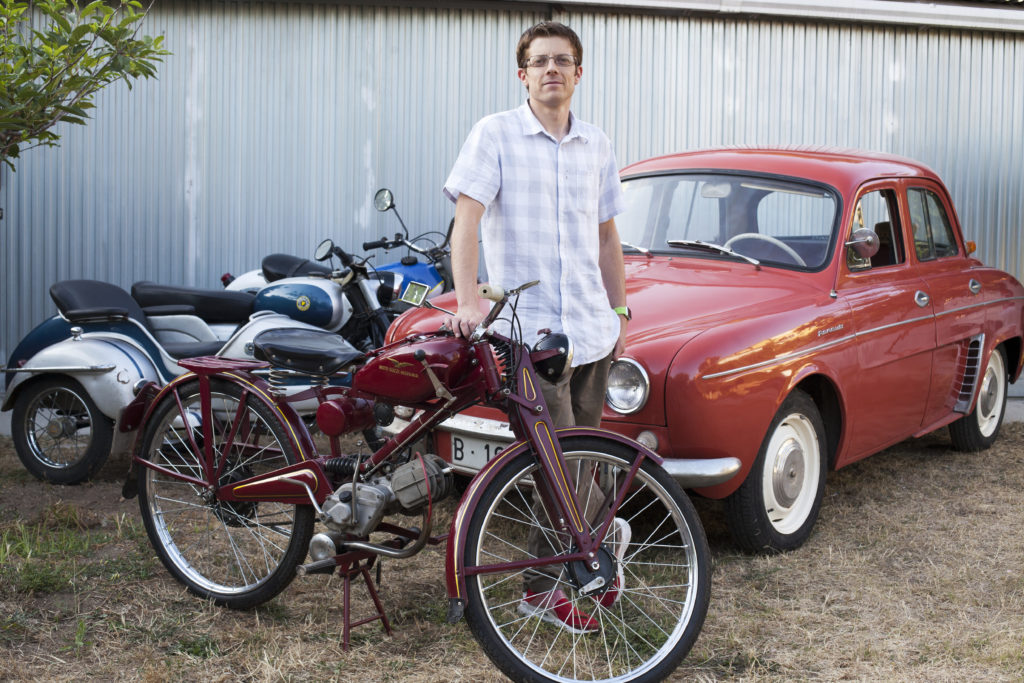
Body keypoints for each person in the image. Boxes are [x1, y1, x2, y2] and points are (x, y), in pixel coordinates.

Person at [442, 20, 631, 634]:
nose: (552, 70)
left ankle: (591, 559)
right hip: (532, 334)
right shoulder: (494, 135)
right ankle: (542, 587)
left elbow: (606, 235)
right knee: (555, 464)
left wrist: (619, 309)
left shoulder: (597, 144)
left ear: (580, 73)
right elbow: (466, 223)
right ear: (522, 74)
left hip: (591, 328)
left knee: (586, 458)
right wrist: (469, 302)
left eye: (564, 61)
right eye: (540, 61)